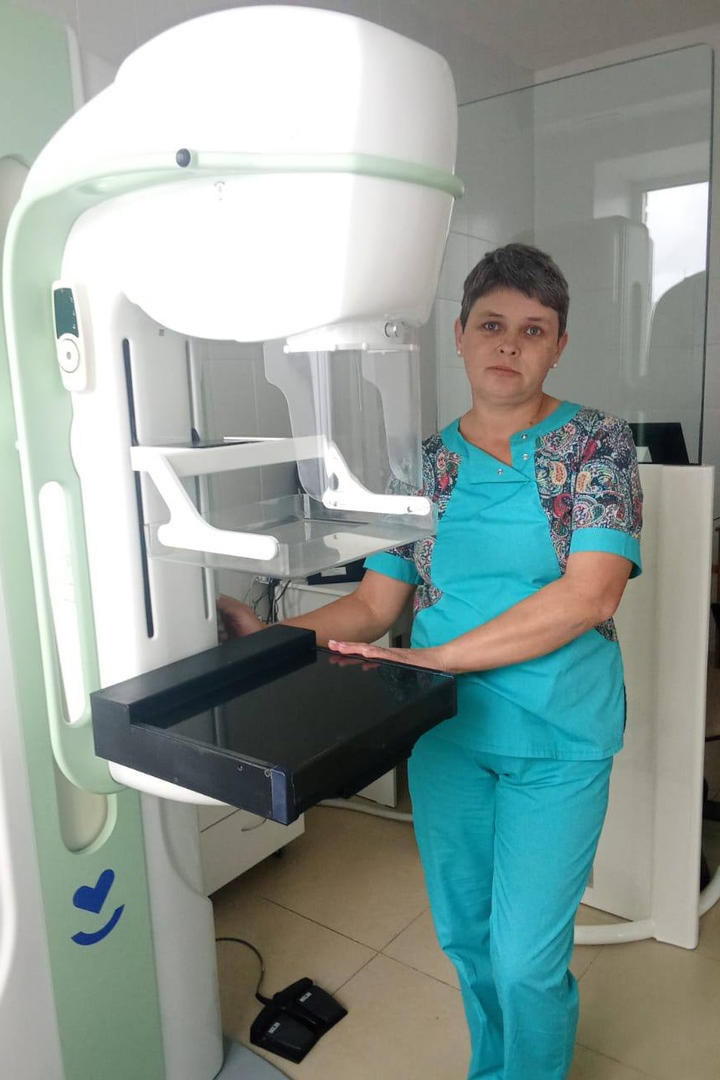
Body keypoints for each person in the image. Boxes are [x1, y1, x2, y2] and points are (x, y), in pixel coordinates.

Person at [218, 243, 642, 1080]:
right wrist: (267, 639)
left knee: (526, 960)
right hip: (448, 736)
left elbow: (592, 595)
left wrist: (438, 657)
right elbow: (375, 606)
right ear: (459, 335)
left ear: (559, 346)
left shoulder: (597, 445)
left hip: (560, 735)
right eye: (492, 324)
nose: (509, 344)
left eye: (533, 330)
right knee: (467, 939)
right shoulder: (422, 467)